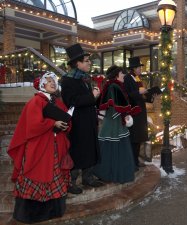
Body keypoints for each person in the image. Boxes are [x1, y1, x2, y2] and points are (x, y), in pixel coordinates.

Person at [7, 72, 71, 224]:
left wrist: (64, 125)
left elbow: (66, 120)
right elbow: (33, 126)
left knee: (54, 176)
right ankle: (32, 214)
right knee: (36, 176)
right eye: (49, 81)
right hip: (40, 148)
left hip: (53, 148)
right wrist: (52, 123)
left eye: (54, 81)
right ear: (42, 84)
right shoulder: (36, 101)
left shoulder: (58, 102)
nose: (53, 83)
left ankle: (52, 211)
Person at [61, 43, 103, 194]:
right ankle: (71, 182)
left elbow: (89, 99)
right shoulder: (67, 80)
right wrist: (91, 96)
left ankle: (88, 177)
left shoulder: (84, 79)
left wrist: (96, 97)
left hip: (89, 120)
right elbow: (71, 101)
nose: (89, 63)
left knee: (90, 149)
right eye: (86, 61)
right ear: (77, 63)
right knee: (77, 151)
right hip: (78, 122)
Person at [93, 65, 140, 183]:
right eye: (121, 73)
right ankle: (113, 174)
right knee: (114, 148)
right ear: (116, 75)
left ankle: (110, 173)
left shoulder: (115, 86)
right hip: (114, 123)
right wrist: (124, 116)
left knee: (112, 147)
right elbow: (115, 107)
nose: (124, 75)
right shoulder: (114, 86)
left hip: (116, 122)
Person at [124, 56, 151, 169]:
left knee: (138, 139)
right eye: (139, 67)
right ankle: (132, 162)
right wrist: (139, 92)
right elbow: (129, 94)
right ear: (134, 68)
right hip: (134, 112)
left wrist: (149, 96)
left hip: (140, 112)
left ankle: (136, 160)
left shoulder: (137, 78)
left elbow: (140, 94)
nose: (141, 69)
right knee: (134, 139)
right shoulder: (128, 78)